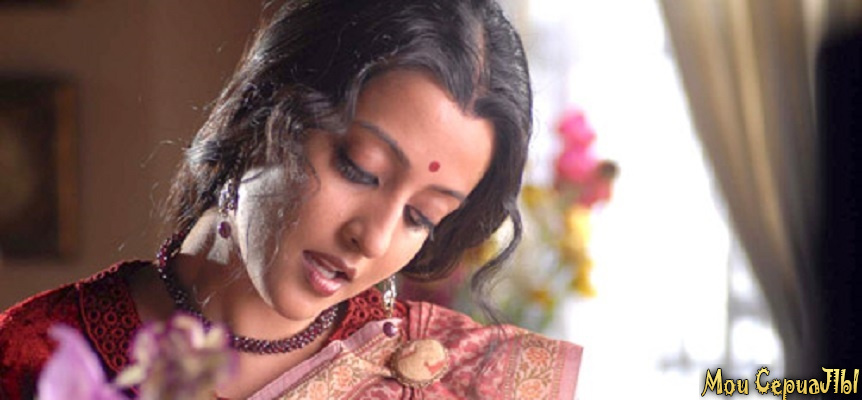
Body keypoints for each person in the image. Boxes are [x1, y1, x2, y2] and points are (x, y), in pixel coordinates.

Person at [0, 0, 582, 398]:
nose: (373, 238)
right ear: (262, 113)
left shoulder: (452, 378)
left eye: (419, 216)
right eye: (359, 168)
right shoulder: (34, 355)